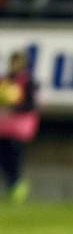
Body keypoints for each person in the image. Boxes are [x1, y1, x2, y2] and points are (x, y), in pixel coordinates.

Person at [0, 50, 39, 204]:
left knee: (15, 156)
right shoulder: (5, 80)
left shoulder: (28, 82)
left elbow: (30, 104)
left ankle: (17, 185)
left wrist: (15, 108)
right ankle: (11, 185)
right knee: (3, 156)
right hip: (4, 125)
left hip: (20, 126)